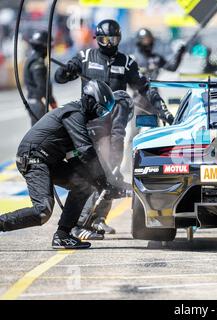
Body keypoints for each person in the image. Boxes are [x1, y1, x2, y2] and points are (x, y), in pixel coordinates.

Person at [0, 80, 125, 249]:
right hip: (34, 158)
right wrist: (103, 182)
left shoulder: (78, 119)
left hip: (48, 160)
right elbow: (87, 152)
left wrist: (100, 184)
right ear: (90, 100)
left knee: (83, 186)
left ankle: (63, 236)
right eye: (100, 110)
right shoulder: (74, 114)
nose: (100, 115)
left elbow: (77, 160)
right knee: (43, 211)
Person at [54, 19, 148, 238]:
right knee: (91, 174)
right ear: (97, 39)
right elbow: (59, 78)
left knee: (111, 174)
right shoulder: (85, 57)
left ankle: (98, 219)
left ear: (119, 39)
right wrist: (68, 70)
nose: (108, 43)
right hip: (89, 128)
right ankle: (79, 222)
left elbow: (140, 87)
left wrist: (146, 84)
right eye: (104, 39)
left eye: (113, 39)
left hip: (115, 131)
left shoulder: (126, 62)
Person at [130, 28, 187, 125]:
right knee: (135, 131)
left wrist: (179, 54)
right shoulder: (133, 59)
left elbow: (172, 67)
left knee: (154, 129)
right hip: (138, 99)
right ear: (139, 42)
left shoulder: (156, 58)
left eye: (149, 40)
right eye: (144, 40)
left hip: (154, 98)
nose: (147, 43)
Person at [24, 30, 57, 126]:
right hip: (38, 103)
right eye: (49, 46)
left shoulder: (31, 58)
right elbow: (43, 87)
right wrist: (52, 102)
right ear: (44, 46)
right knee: (42, 134)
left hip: (34, 102)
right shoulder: (38, 63)